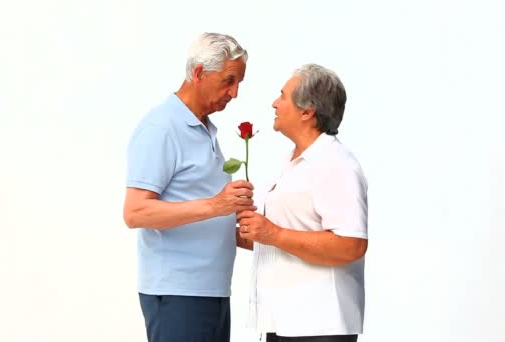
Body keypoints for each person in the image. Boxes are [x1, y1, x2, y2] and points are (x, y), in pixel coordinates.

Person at [123, 32, 256, 342]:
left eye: (238, 83)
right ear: (198, 73)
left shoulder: (205, 130)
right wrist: (217, 205)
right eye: (228, 81)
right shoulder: (162, 127)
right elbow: (135, 212)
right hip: (178, 294)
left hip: (212, 291)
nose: (234, 92)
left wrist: (243, 228)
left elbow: (197, 209)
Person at [236, 64, 368, 342]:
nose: (274, 103)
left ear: (307, 112)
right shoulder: (293, 163)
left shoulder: (336, 165)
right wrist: (242, 230)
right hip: (285, 321)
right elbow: (283, 238)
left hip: (318, 325)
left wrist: (273, 233)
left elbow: (352, 244)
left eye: (282, 96)